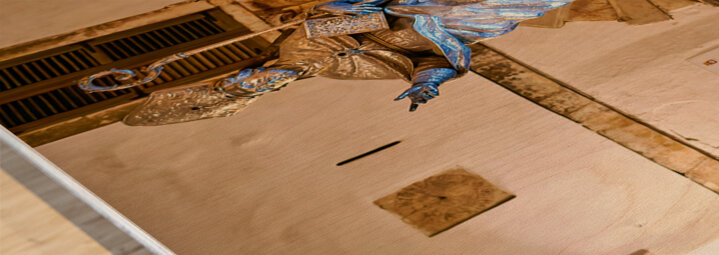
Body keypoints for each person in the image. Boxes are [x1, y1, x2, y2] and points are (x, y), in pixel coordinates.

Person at [87, 0, 571, 125]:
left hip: (378, 41)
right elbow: (437, 59)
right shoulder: (424, 21)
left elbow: (439, 59)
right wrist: (428, 81)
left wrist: (426, 82)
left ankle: (241, 91)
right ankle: (244, 90)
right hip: (373, 32)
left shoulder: (310, 51)